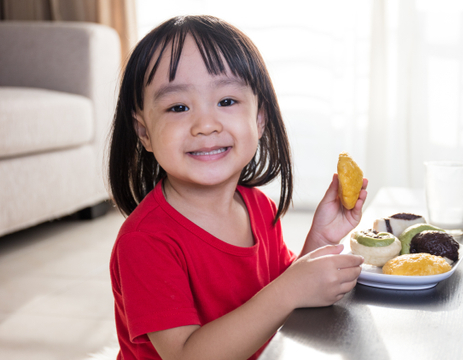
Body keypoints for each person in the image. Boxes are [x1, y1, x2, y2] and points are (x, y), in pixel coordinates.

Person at [107, 15, 367, 360]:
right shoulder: (145, 241)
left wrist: (320, 239)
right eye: (178, 107)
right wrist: (288, 291)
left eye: (227, 101)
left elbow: (280, 295)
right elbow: (187, 355)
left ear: (259, 119)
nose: (206, 125)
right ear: (144, 133)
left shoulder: (257, 207)